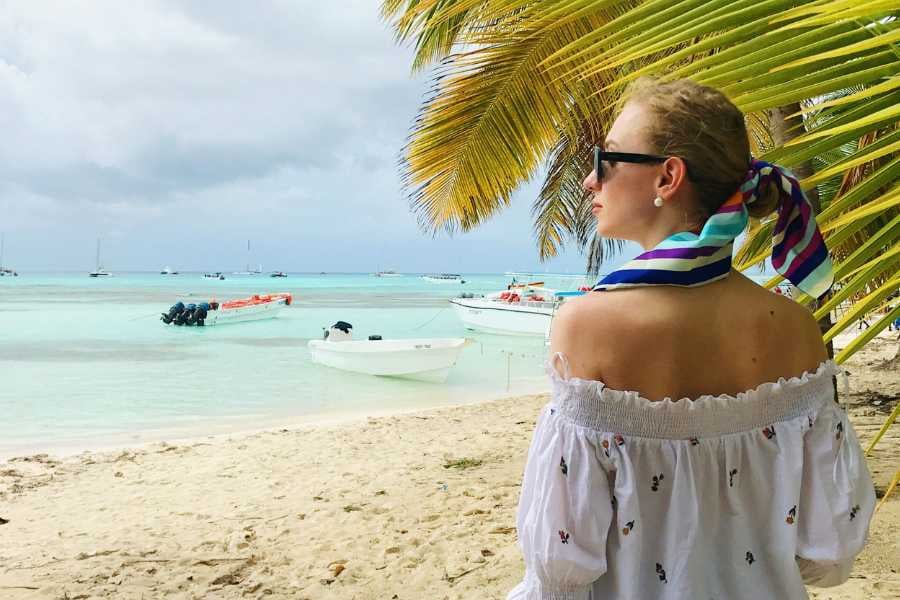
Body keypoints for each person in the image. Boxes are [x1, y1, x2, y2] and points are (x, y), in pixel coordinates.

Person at [508, 79, 875, 600]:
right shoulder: (794, 328)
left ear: (668, 176)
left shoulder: (584, 326)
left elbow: (561, 563)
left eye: (605, 160)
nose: (589, 180)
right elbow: (827, 550)